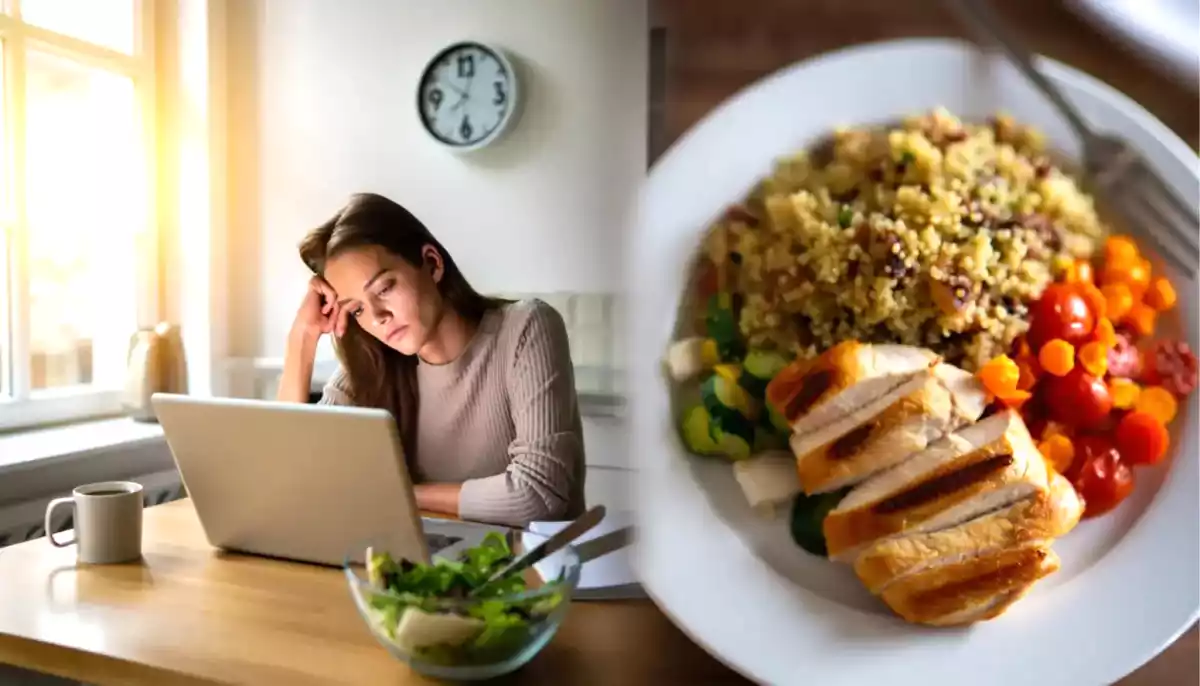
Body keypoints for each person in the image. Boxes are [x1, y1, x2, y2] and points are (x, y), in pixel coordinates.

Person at [277, 192, 586, 527]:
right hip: (423, 571)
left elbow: (539, 493)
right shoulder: (373, 363)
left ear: (432, 264)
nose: (378, 316)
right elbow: (294, 479)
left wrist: (397, 493)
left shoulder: (526, 328)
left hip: (532, 571)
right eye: (358, 309)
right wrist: (301, 341)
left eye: (384, 289)